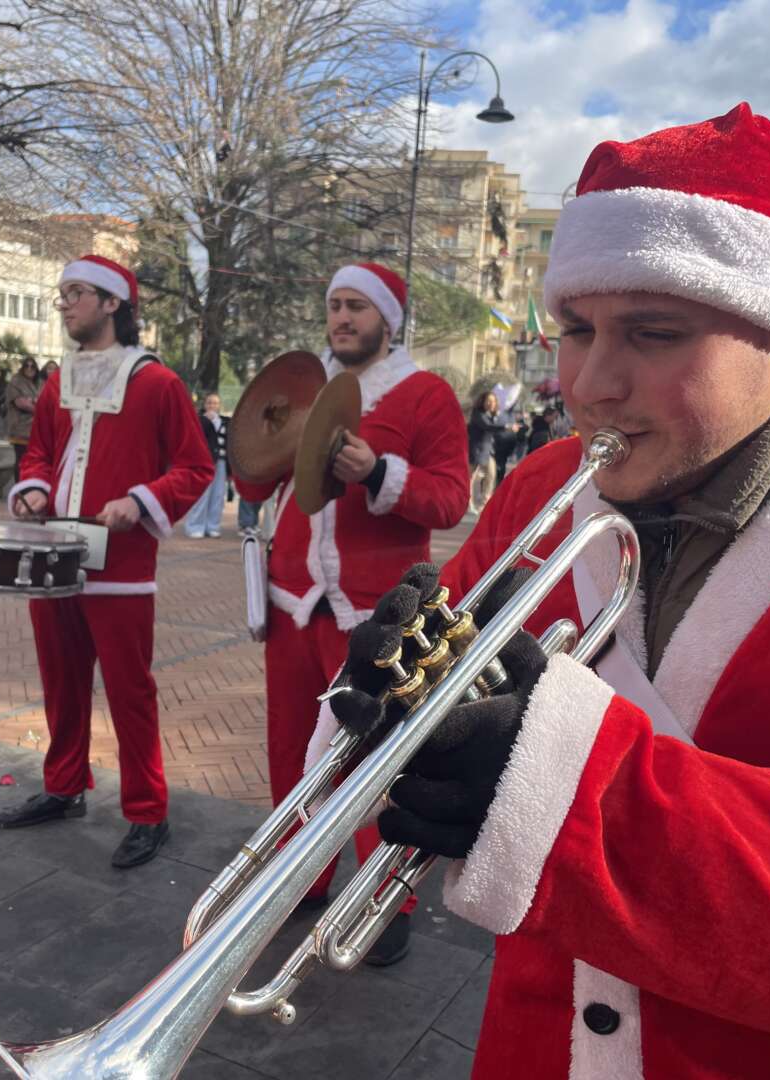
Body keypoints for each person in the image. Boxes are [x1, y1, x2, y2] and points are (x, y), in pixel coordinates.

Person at [316, 104, 770, 1077]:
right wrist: (393, 708)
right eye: (575, 328)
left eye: (651, 333)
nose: (592, 384)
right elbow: (433, 718)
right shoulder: (538, 487)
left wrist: (565, 791)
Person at [233, 262, 469, 965]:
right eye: (334, 304)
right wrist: (256, 434)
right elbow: (255, 478)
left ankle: (381, 896)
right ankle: (299, 879)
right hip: (292, 602)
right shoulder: (303, 391)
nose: (341, 318)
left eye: (356, 307)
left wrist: (378, 474)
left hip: (373, 612)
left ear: (388, 319)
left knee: (373, 762)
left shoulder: (425, 394)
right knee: (289, 752)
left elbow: (450, 501)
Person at [0, 254, 212, 869]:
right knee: (62, 685)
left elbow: (194, 469)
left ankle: (148, 811)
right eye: (62, 294)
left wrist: (140, 501)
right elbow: (38, 451)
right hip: (55, 559)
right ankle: (65, 787)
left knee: (129, 692)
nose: (64, 303)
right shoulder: (58, 382)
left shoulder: (158, 384)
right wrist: (32, 487)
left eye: (76, 293)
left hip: (121, 568)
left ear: (114, 303)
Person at [184, 391, 229, 538]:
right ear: (205, 405)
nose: (212, 405)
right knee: (202, 493)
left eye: (215, 403)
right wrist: (207, 422)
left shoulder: (226, 421)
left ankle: (213, 526)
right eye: (210, 402)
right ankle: (195, 526)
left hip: (221, 461)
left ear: (219, 405)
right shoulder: (199, 420)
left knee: (218, 495)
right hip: (204, 461)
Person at [467, 390, 506, 513]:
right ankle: (467, 503)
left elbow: (495, 427)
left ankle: (485, 503)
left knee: (491, 475)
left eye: (493, 401)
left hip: (488, 451)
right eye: (488, 401)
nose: (491, 403)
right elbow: (487, 426)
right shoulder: (478, 414)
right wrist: (505, 427)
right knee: (471, 478)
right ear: (482, 402)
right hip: (476, 451)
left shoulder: (492, 415)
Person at [5, 355, 41, 482]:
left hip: (34, 430)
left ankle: (27, 486)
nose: (30, 369)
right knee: (21, 459)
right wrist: (39, 408)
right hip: (20, 428)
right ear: (22, 368)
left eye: (33, 366)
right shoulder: (16, 382)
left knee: (32, 461)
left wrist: (35, 402)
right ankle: (19, 487)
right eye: (27, 366)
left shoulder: (37, 383)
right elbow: (21, 403)